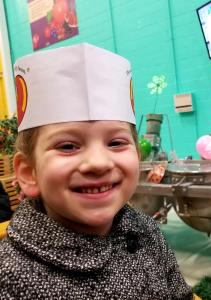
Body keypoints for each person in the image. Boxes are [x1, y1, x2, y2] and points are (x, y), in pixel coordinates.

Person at [0, 43, 195, 299]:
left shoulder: (146, 230)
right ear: (28, 172)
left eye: (116, 142)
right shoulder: (11, 278)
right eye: (68, 146)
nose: (98, 162)